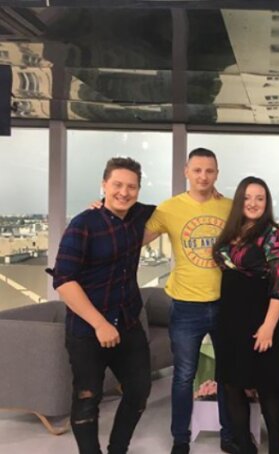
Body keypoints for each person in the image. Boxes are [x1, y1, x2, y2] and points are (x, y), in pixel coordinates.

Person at [48, 157, 154, 454]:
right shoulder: (83, 224)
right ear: (104, 185)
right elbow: (64, 281)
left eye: (131, 187)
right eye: (117, 185)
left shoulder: (137, 217)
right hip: (87, 329)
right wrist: (99, 324)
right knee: (87, 397)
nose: (124, 192)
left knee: (139, 391)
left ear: (138, 190)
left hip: (128, 322)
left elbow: (175, 210)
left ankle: (118, 449)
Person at [143, 148, 236, 454]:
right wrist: (103, 209)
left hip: (225, 304)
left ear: (217, 174)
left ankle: (229, 434)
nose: (203, 176)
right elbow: (135, 236)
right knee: (183, 376)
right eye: (197, 170)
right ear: (186, 172)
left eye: (209, 171)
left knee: (227, 375)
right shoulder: (170, 208)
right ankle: (180, 439)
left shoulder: (229, 207)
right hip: (185, 306)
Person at [213, 176, 279, 454]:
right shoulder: (231, 230)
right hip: (230, 319)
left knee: (267, 385)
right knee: (232, 384)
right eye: (247, 197)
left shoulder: (272, 233)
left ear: (267, 202)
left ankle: (275, 449)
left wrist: (268, 327)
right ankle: (245, 446)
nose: (253, 203)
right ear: (239, 200)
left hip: (261, 317)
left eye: (260, 198)